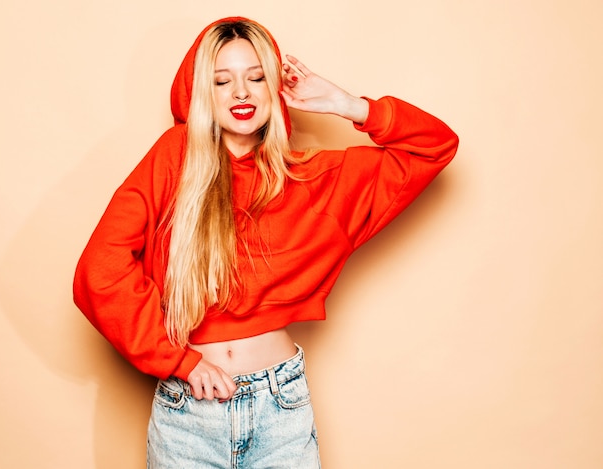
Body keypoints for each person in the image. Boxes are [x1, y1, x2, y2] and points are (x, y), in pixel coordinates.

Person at [73, 16, 458, 469]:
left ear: (275, 88)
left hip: (282, 411)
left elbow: (436, 147)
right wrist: (178, 361)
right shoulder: (175, 157)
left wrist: (346, 104)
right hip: (188, 415)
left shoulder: (315, 180)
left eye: (256, 77)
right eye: (222, 80)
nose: (241, 92)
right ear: (202, 92)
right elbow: (100, 269)